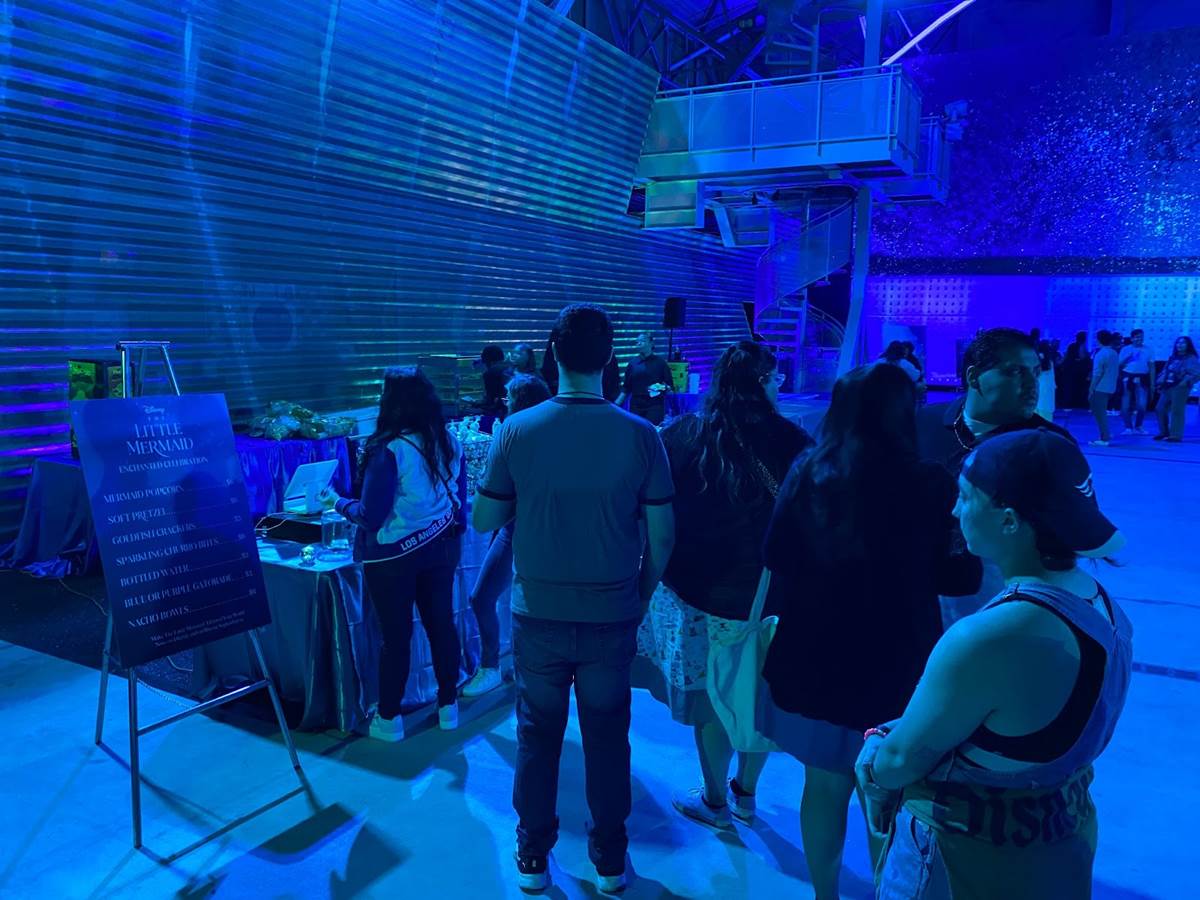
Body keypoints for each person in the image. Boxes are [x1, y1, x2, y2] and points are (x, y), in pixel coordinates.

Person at [857, 429, 1130, 900]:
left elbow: (899, 761)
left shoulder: (992, 636)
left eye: (965, 497)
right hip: (1059, 844)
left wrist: (874, 757)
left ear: (1008, 521)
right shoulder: (1103, 604)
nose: (954, 511)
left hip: (966, 862)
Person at [473, 304, 675, 895]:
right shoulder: (642, 436)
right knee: (608, 736)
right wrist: (640, 593)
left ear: (554, 355)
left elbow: (485, 517)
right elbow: (663, 537)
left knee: (537, 734)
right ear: (609, 358)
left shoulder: (516, 430)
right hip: (612, 613)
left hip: (537, 614)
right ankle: (610, 861)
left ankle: (532, 857)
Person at [760, 364, 982, 900]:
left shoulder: (808, 471)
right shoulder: (931, 482)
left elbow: (776, 554)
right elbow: (960, 576)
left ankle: (825, 895)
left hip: (814, 656)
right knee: (888, 795)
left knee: (823, 784)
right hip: (898, 664)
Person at [635, 341, 812, 829]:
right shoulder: (794, 441)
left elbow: (658, 515)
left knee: (712, 701)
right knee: (755, 697)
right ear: (763, 383)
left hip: (698, 599)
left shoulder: (683, 435)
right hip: (770, 600)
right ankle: (744, 793)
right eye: (776, 379)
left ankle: (713, 799)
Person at [323, 367, 467, 742]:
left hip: (393, 557)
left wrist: (336, 502)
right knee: (442, 625)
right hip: (442, 547)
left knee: (396, 636)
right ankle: (449, 706)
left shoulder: (389, 449)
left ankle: (389, 718)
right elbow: (460, 500)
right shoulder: (449, 440)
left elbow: (371, 516)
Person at [917, 327, 1074, 627]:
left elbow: (1067, 535)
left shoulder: (1050, 443)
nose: (1032, 384)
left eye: (1035, 372)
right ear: (974, 377)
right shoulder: (923, 422)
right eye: (1015, 372)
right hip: (928, 589)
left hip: (1007, 597)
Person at [461, 374, 552, 698]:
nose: (504, 404)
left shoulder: (517, 436)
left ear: (521, 403)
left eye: (509, 399)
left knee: (495, 597)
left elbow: (489, 503)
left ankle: (498, 666)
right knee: (493, 597)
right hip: (517, 526)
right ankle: (503, 665)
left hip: (520, 528)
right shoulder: (535, 434)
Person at [616, 332, 673, 426]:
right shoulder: (632, 364)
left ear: (651, 343)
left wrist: (660, 388)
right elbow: (626, 388)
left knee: (652, 430)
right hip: (636, 405)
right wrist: (616, 405)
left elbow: (669, 387)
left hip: (654, 405)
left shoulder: (661, 363)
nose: (638, 343)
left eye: (642, 341)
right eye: (637, 342)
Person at [1154, 336, 1200, 442]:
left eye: (1183, 343)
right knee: (1160, 408)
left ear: (1188, 345)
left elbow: (1196, 373)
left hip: (1180, 387)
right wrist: (1160, 382)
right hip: (1168, 386)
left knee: (1177, 410)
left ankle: (1175, 435)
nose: (1180, 345)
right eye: (1178, 343)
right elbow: (1165, 371)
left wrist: (1184, 382)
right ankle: (1164, 432)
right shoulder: (1173, 357)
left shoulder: (1191, 358)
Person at [1118, 328, 1154, 434]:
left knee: (1142, 404)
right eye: (1137, 337)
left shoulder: (1148, 350)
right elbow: (1119, 365)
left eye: (1141, 337)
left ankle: (1139, 425)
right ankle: (1128, 427)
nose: (1140, 339)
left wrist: (1152, 383)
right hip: (1127, 377)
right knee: (1125, 404)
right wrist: (1128, 358)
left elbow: (1151, 366)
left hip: (1142, 377)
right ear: (1132, 338)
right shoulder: (1125, 349)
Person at [1089, 331, 1119, 446]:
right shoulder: (1114, 353)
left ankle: (1104, 438)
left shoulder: (1101, 354)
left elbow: (1097, 373)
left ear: (1098, 340)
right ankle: (1106, 434)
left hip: (1100, 387)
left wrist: (1091, 388)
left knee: (1100, 414)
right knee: (1102, 412)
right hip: (1111, 387)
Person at [480, 344, 510, 433]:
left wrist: (478, 404)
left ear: (486, 360)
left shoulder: (490, 373)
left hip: (502, 414)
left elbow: (491, 399)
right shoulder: (511, 367)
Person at [1062, 331, 1090, 409]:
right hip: (1076, 372)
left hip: (1073, 372)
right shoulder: (1079, 347)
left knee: (1072, 389)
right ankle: (1075, 403)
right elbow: (1083, 359)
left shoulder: (1072, 346)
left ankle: (1071, 403)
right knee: (1075, 389)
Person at [1034, 338, 1059, 422]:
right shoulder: (1049, 360)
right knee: (1046, 412)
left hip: (1038, 386)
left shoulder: (1036, 358)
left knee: (1037, 410)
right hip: (1048, 388)